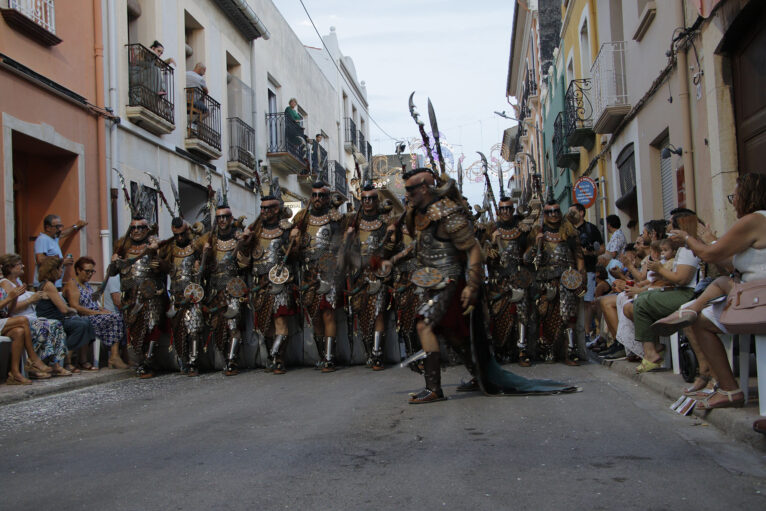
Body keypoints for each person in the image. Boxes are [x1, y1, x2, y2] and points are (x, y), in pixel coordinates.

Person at [652, 173, 766, 411]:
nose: (733, 201)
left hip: (757, 301)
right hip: (751, 294)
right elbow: (731, 265)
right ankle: (690, 309)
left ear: (748, 196)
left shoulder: (753, 220)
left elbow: (710, 256)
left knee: (700, 321)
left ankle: (729, 389)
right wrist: (709, 243)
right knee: (717, 289)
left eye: (735, 195)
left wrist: (687, 239)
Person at [631, 211, 702, 373]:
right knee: (642, 297)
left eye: (671, 226)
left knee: (642, 302)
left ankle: (651, 353)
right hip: (681, 291)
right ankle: (653, 346)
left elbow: (682, 279)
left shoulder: (689, 250)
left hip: (688, 294)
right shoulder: (683, 249)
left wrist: (660, 269)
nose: (668, 229)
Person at [524, 197, 586, 365]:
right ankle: (548, 350)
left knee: (569, 317)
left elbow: (579, 257)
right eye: (549, 212)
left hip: (568, 280)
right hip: (545, 282)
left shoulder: (570, 232)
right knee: (546, 316)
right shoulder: (537, 232)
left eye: (556, 211)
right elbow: (527, 260)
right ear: (544, 214)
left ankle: (571, 352)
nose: (553, 215)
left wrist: (582, 278)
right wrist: (536, 244)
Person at [290, 181, 344, 372]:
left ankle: (329, 357)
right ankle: (322, 356)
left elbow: (339, 248)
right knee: (315, 317)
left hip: (328, 272)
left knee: (328, 314)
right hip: (307, 273)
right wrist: (293, 240)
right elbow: (294, 254)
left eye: (322, 195)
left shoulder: (334, 219)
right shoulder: (302, 219)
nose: (317, 199)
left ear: (328, 198)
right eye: (314, 195)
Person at [241, 188, 295, 374]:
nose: (264, 212)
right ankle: (272, 357)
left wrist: (293, 241)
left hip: (280, 283)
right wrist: (243, 243)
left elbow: (294, 255)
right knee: (266, 324)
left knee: (280, 321)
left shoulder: (285, 229)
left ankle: (277, 358)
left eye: (268, 209)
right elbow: (244, 259)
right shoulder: (255, 232)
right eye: (262, 208)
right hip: (259, 283)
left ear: (275, 210)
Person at [342, 182, 392, 370]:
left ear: (376, 200)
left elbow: (391, 247)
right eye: (364, 199)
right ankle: (368, 352)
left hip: (377, 273)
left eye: (371, 198)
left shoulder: (386, 221)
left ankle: (378, 354)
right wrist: (348, 238)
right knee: (362, 314)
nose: (367, 202)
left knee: (378, 312)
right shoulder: (352, 221)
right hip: (358, 274)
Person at [110, 215, 167, 378]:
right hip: (131, 295)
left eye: (140, 228)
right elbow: (113, 272)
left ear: (146, 229)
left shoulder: (155, 244)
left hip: (151, 294)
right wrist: (114, 262)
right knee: (135, 330)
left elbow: (165, 267)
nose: (136, 231)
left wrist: (157, 259)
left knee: (152, 326)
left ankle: (148, 362)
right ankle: (140, 361)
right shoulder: (122, 246)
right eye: (133, 228)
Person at [0, 254, 69, 377]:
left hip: (27, 317)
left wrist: (36, 297)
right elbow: (11, 309)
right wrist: (30, 300)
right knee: (44, 325)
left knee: (54, 324)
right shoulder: (5, 283)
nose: (23, 265)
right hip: (20, 318)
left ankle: (53, 363)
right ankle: (35, 362)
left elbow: (11, 305)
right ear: (10, 268)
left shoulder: (18, 282)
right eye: (19, 264)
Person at [485, 195, 532, 365]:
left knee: (522, 313)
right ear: (498, 211)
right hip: (499, 280)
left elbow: (528, 251)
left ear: (512, 210)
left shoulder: (522, 230)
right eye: (502, 208)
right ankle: (499, 349)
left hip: (518, 278)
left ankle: (522, 349)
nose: (505, 211)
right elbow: (486, 256)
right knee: (497, 315)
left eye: (508, 208)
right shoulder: (492, 230)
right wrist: (491, 245)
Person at [203, 198, 247, 376]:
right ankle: (223, 355)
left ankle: (232, 360)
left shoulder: (238, 237)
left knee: (233, 324)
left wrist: (242, 249)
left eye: (225, 217)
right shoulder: (210, 240)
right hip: (215, 290)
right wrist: (203, 255)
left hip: (233, 289)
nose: (222, 220)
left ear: (230, 218)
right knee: (218, 325)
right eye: (219, 217)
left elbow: (246, 262)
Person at [161, 217, 207, 376]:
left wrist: (201, 263)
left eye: (182, 234)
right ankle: (183, 360)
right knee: (179, 330)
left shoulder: (196, 246)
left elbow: (206, 265)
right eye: (177, 235)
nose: (180, 238)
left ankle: (194, 362)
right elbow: (163, 267)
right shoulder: (169, 248)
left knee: (193, 329)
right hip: (176, 294)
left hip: (193, 294)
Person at [64, 257, 127, 369]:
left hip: (93, 314)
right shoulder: (73, 284)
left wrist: (102, 310)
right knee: (114, 319)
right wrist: (96, 313)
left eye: (92, 271)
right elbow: (76, 306)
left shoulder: (87, 285)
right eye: (87, 271)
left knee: (117, 317)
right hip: (83, 316)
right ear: (78, 270)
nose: (90, 274)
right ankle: (113, 356)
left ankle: (115, 355)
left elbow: (93, 303)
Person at [36, 258, 96, 372]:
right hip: (52, 320)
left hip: (58, 318)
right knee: (80, 325)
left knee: (87, 321)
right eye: (60, 269)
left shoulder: (49, 284)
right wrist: (72, 310)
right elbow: (63, 309)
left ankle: (80, 360)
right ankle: (65, 358)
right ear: (53, 270)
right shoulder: (49, 285)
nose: (61, 272)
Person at [569, 203, 604, 345]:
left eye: (573, 212)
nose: (570, 214)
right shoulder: (567, 229)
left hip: (588, 269)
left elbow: (601, 248)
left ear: (582, 213)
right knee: (572, 302)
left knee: (587, 301)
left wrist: (590, 252)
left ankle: (587, 332)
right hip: (570, 271)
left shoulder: (591, 229)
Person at [34, 214, 87, 288]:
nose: (60, 229)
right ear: (48, 228)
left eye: (60, 226)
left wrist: (76, 226)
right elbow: (40, 259)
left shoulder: (53, 238)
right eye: (57, 227)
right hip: (45, 285)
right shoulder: (42, 239)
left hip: (55, 283)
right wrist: (62, 261)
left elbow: (63, 234)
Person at [186, 62, 209, 127]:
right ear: (200, 69)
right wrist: (202, 98)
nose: (204, 73)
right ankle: (194, 124)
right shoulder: (200, 79)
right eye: (204, 71)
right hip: (193, 101)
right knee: (206, 112)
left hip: (184, 99)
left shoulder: (186, 73)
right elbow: (206, 91)